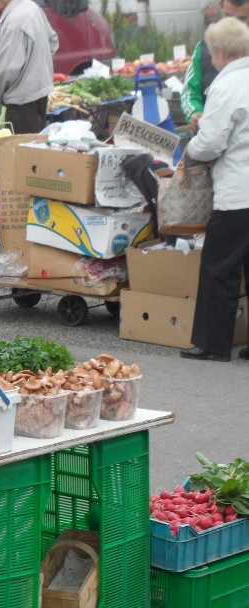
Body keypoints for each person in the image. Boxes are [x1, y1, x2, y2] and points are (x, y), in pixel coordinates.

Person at [179, 17, 249, 362]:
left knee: (220, 267)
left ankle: (213, 343)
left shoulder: (226, 86)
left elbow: (210, 143)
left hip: (238, 192)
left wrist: (193, 145)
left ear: (220, 52)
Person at [0, 0, 58, 134]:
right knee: (36, 148)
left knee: (24, 152)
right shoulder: (31, 8)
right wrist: (37, 66)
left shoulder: (16, 19)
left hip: (21, 103)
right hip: (38, 96)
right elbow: (53, 41)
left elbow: (5, 69)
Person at [181, 0, 249, 132]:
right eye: (228, 17)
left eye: (241, 19)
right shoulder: (204, 50)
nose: (232, 25)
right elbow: (189, 92)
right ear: (220, 9)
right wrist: (195, 113)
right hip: (211, 141)